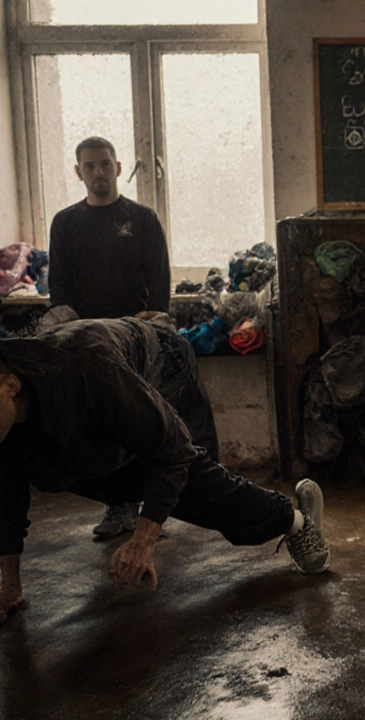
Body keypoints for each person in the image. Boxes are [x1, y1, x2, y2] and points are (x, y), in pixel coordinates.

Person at [0, 317, 329, 626]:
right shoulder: (16, 409)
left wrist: (143, 541)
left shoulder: (90, 370)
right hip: (101, 398)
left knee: (191, 481)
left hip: (164, 361)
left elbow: (172, 453)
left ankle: (297, 523)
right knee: (90, 472)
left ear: (11, 385)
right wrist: (10, 584)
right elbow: (8, 496)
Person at [48, 136, 182, 539]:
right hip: (88, 346)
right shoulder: (65, 222)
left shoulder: (142, 218)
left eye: (105, 164)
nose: (98, 172)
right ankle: (118, 507)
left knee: (144, 420)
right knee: (102, 427)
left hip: (136, 340)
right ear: (78, 173)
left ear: (119, 167)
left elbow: (159, 279)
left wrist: (154, 325)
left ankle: (151, 512)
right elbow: (60, 288)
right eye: (89, 166)